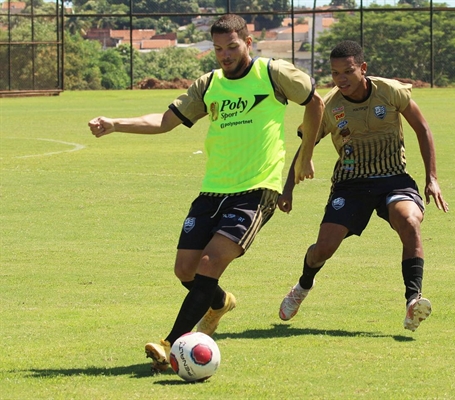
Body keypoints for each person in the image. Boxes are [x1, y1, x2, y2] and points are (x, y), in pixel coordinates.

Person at [88, 14, 324, 372]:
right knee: (185, 270)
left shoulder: (273, 73)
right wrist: (116, 124)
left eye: (232, 46)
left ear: (248, 40)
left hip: (256, 189)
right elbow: (166, 122)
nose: (225, 55)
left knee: (208, 263)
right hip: (213, 190)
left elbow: (315, 102)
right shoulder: (209, 84)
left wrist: (304, 158)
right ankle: (219, 303)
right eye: (218, 49)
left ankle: (170, 346)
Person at [277, 40, 448, 332]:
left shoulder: (390, 91)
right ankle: (303, 286)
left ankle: (412, 299)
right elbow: (307, 144)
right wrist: (288, 188)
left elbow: (423, 129)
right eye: (335, 73)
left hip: (393, 178)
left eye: (348, 71)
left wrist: (432, 177)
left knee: (409, 221)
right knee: (324, 249)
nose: (341, 79)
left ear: (363, 68)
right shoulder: (329, 106)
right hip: (351, 184)